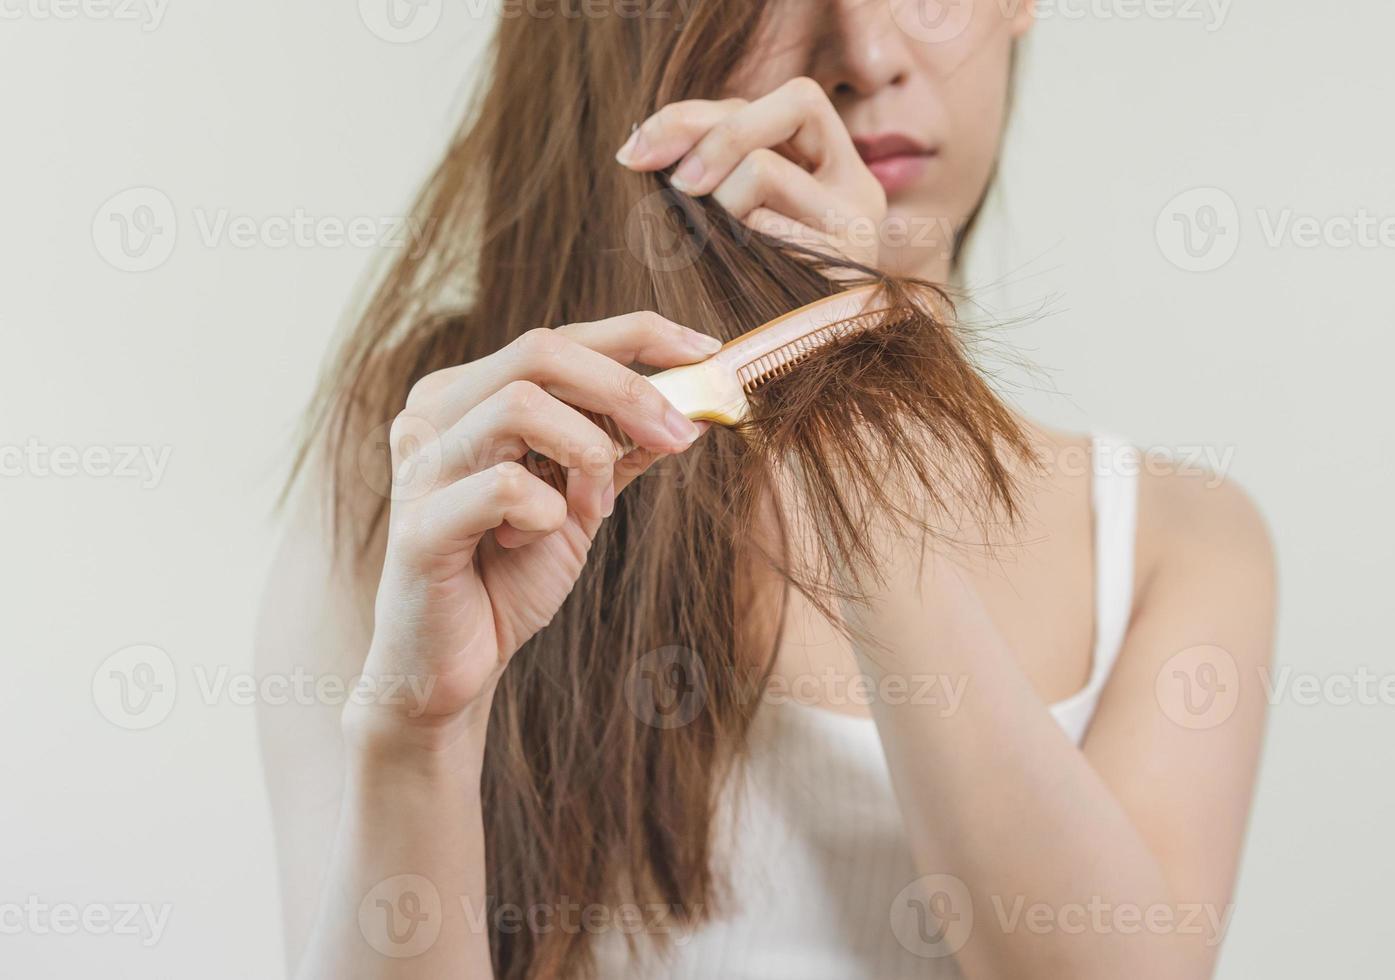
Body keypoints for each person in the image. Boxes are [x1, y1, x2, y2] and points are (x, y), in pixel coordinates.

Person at [257, 1, 1276, 977]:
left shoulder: (1174, 541)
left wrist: (848, 377)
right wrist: (419, 736)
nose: (867, 52)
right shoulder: (441, 467)